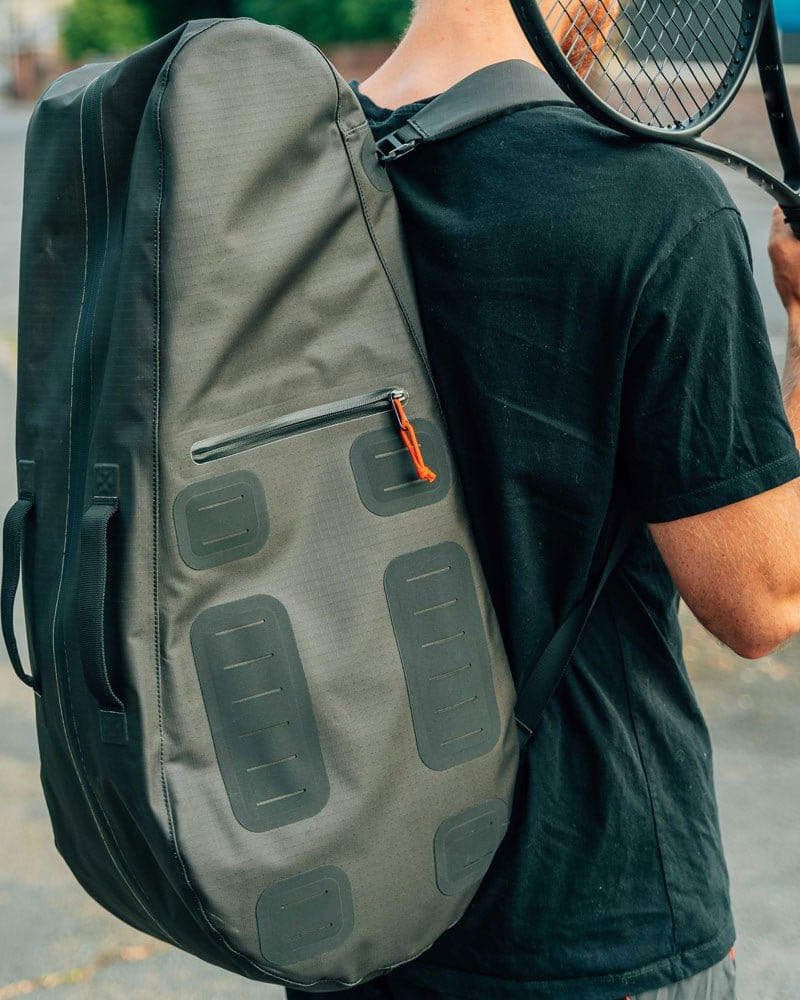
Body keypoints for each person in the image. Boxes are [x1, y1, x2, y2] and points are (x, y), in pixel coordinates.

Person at [284, 1, 800, 998]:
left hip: (333, 896)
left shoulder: (275, 183)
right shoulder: (649, 202)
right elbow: (762, 598)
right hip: (589, 916)